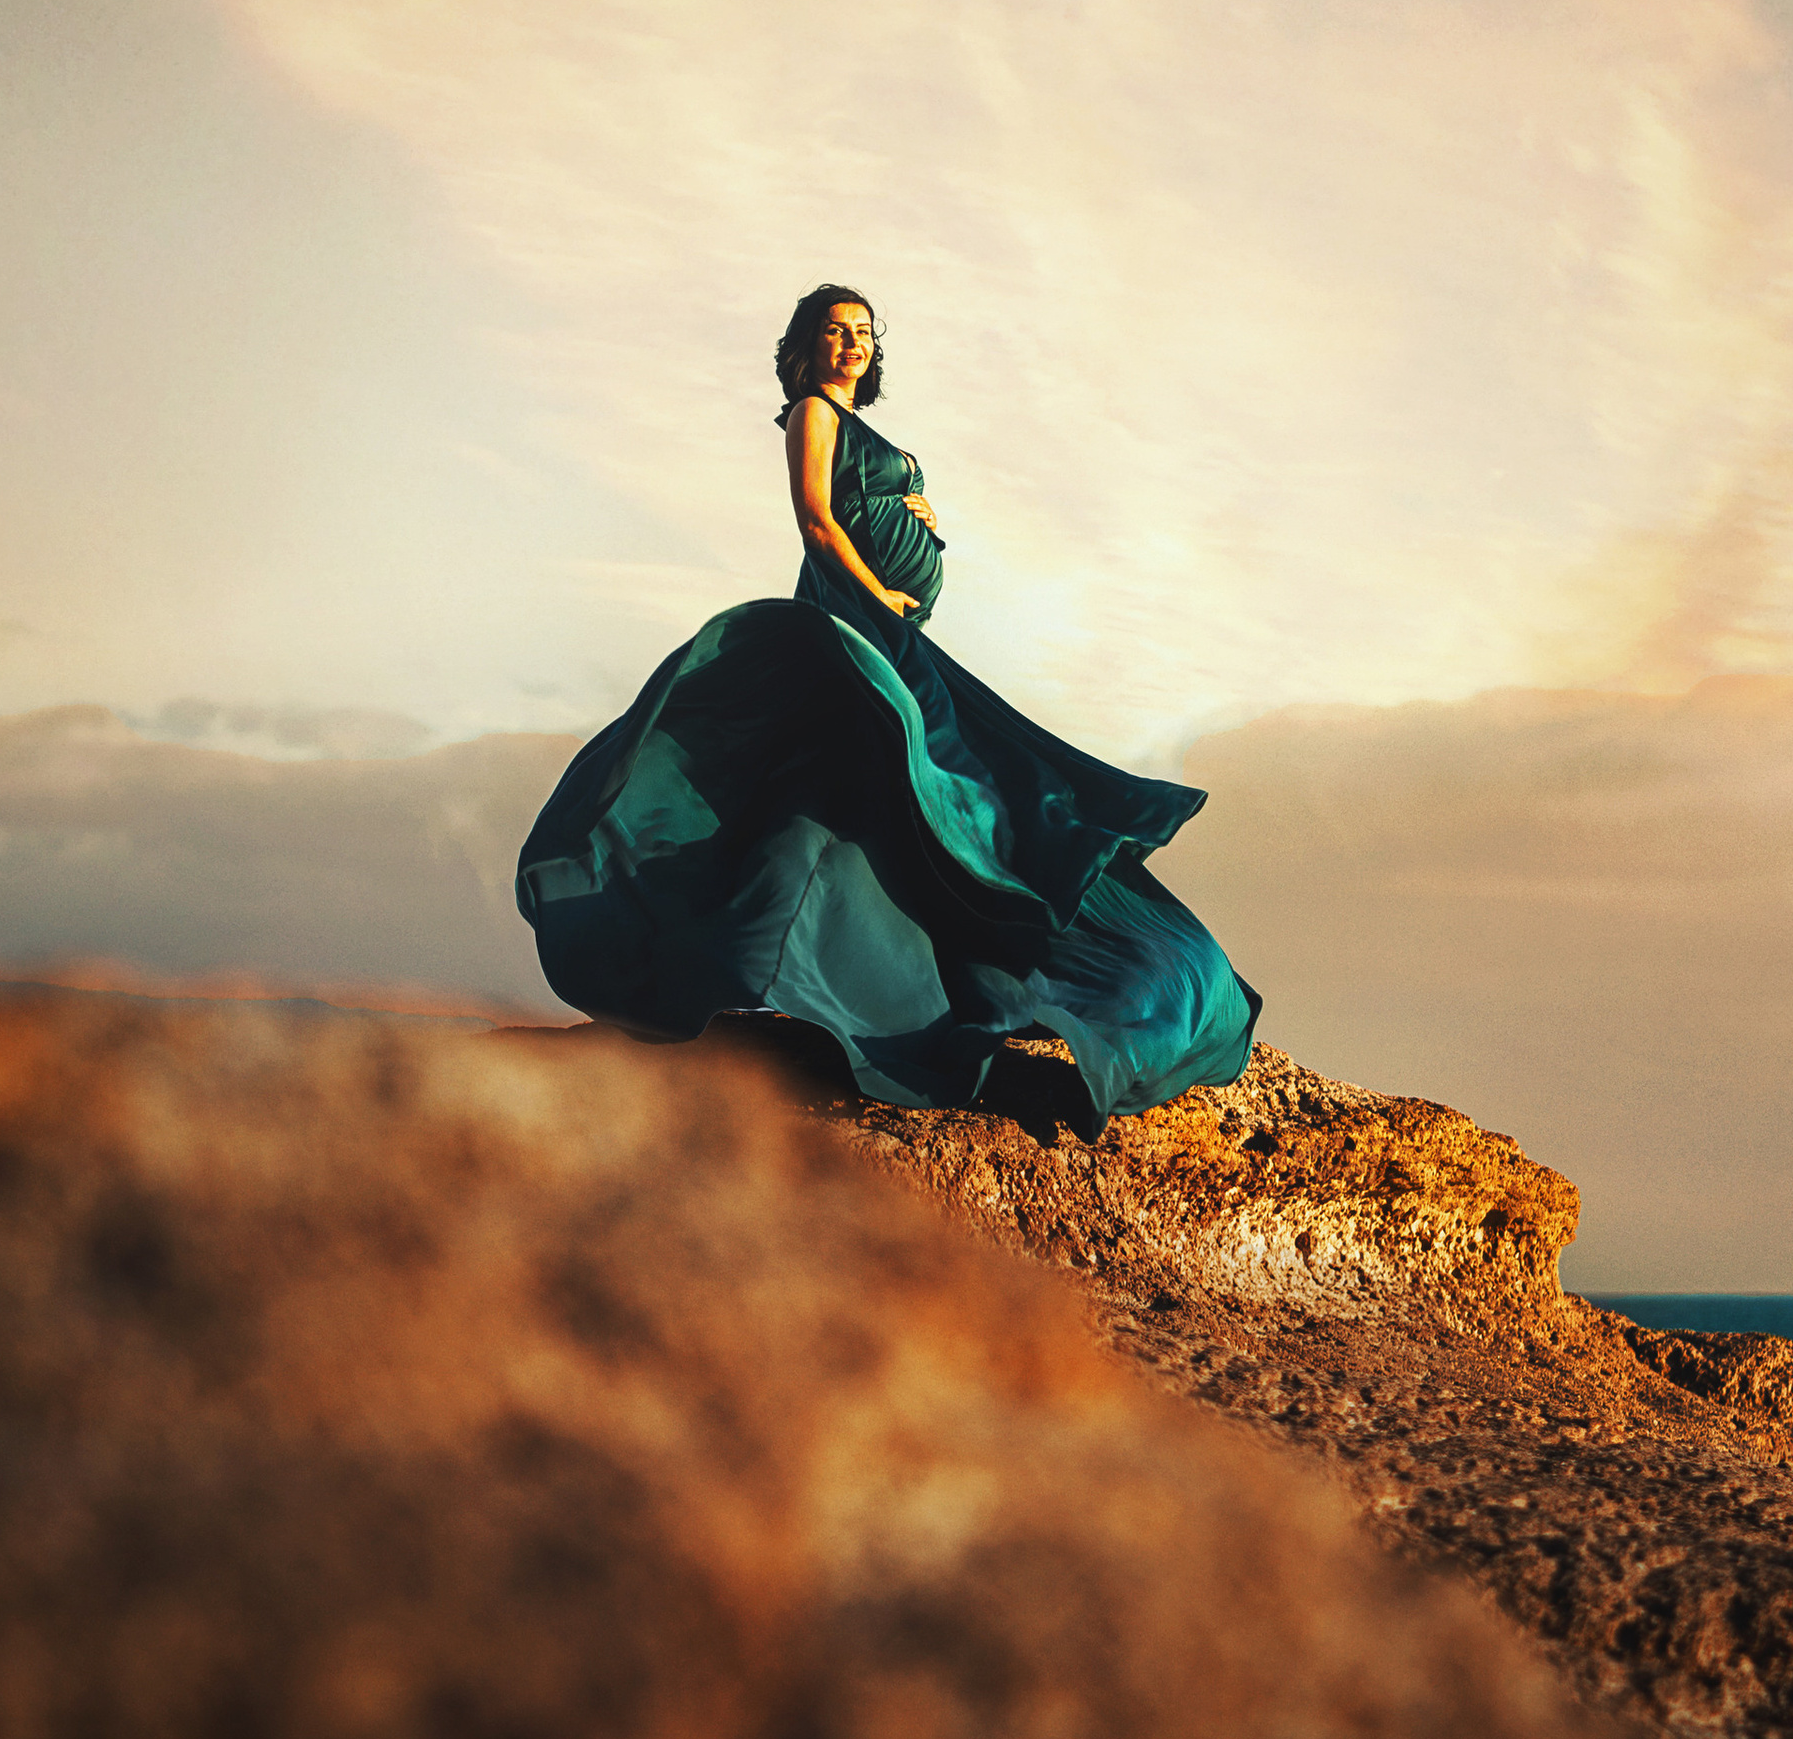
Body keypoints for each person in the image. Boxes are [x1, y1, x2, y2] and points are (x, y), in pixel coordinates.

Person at [516, 284, 1260, 1121]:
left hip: (886, 623)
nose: (852, 344)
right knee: (915, 787)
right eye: (835, 331)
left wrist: (921, 521)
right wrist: (879, 592)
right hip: (853, 616)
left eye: (864, 333)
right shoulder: (811, 414)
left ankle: (977, 963)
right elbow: (817, 522)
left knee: (935, 797)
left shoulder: (863, 430)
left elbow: (867, 506)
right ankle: (780, 960)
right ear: (806, 346)